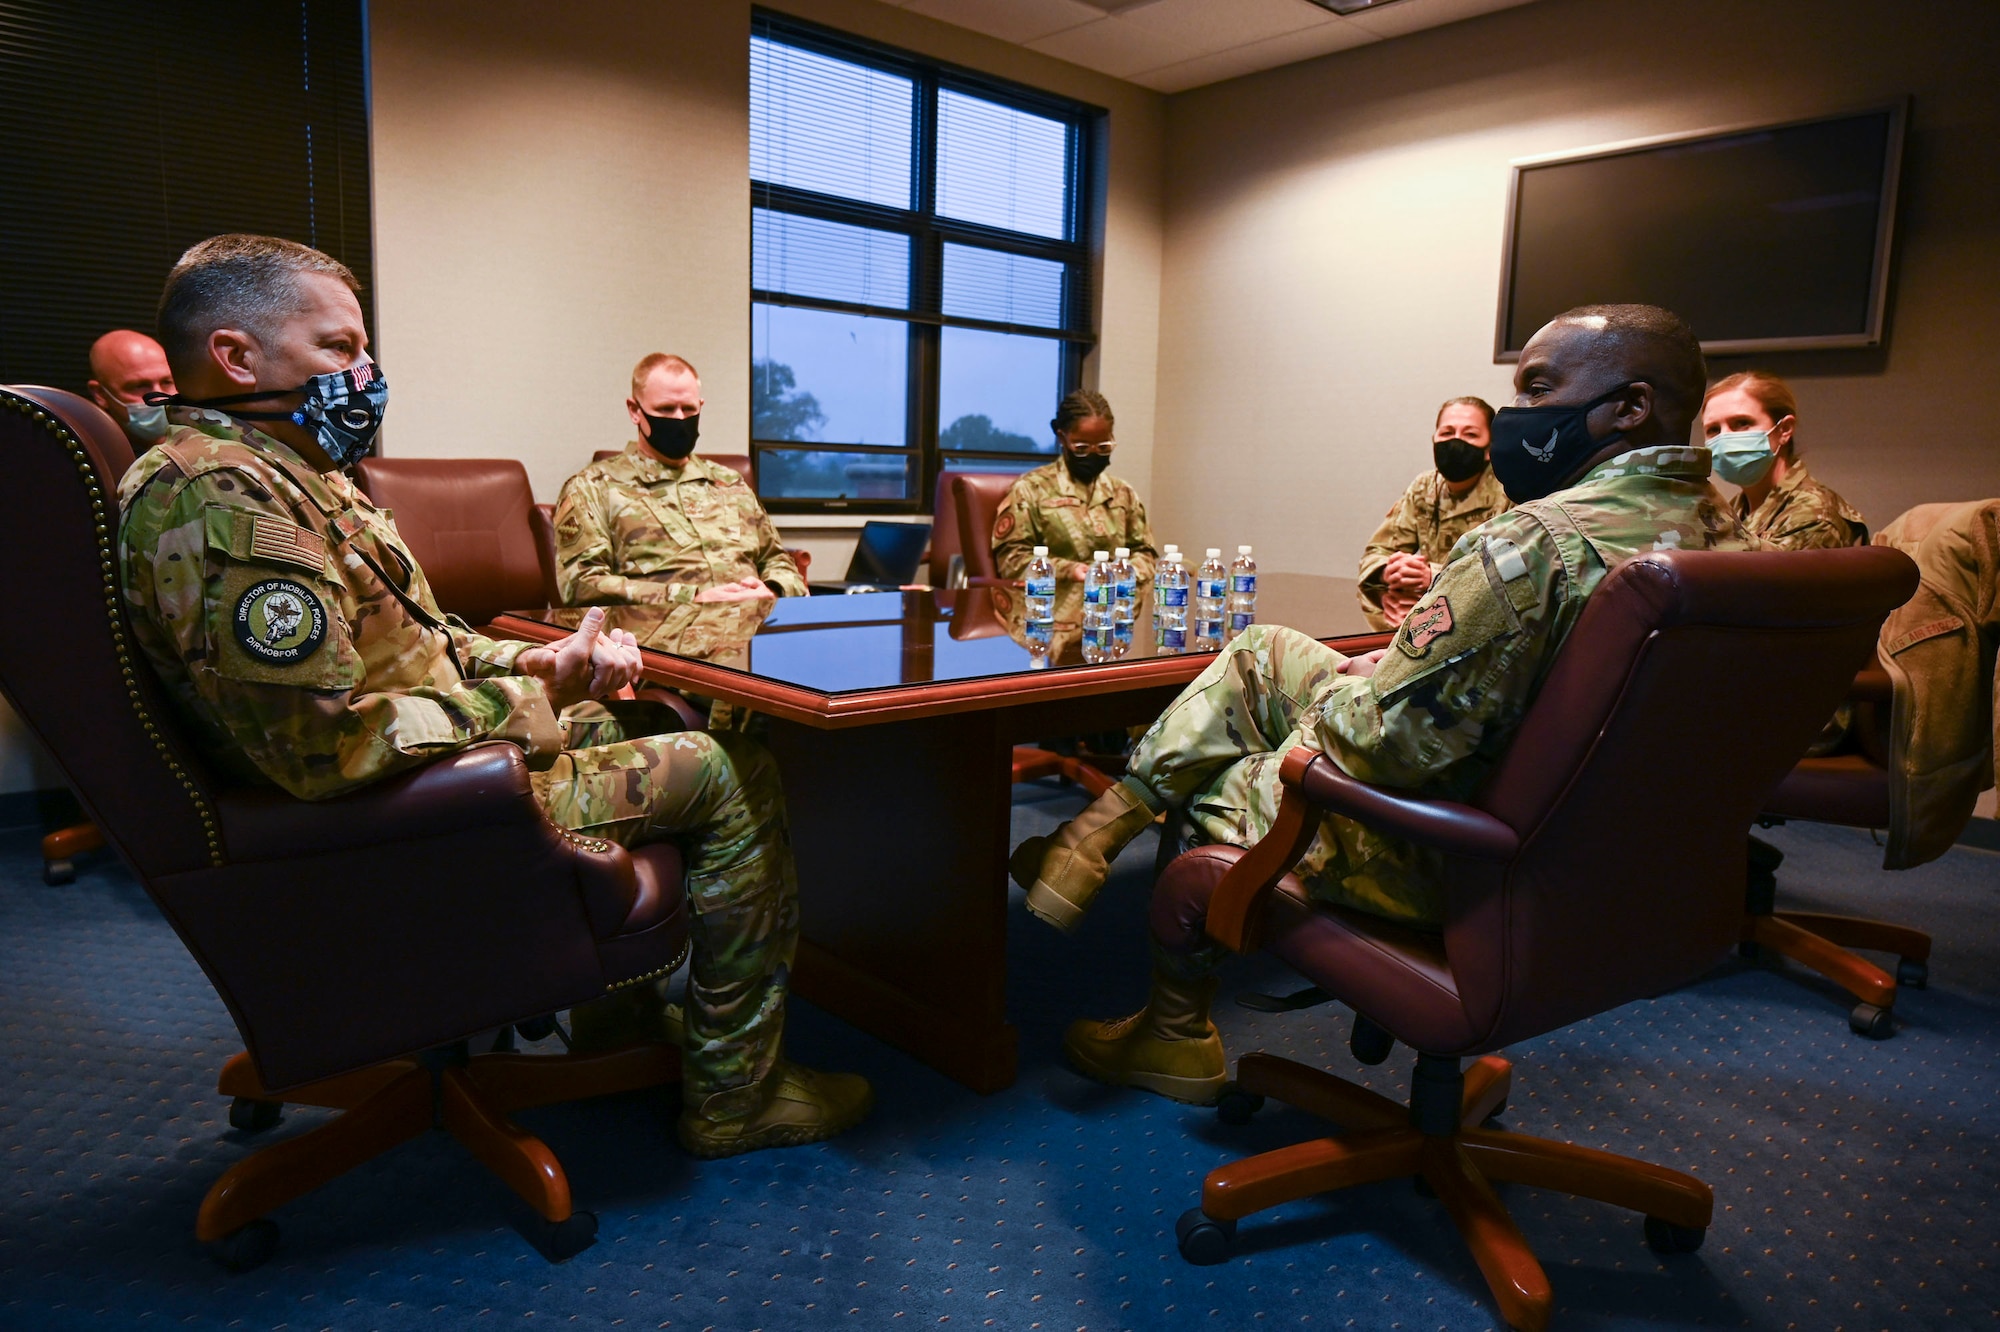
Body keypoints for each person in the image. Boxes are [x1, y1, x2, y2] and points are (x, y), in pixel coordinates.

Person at [116, 234, 869, 1158]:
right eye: (339, 349)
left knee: (641, 714)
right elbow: (320, 748)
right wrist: (513, 711)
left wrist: (539, 670)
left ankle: (616, 1030)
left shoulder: (290, 476)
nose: (365, 373)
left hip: (429, 765)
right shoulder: (224, 497)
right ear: (235, 356)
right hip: (396, 809)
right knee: (722, 763)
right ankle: (738, 1097)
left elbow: (417, 641)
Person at [1009, 303, 1752, 1104]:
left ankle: (1171, 1025)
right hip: (1620, 866)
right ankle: (1086, 843)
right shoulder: (1734, 543)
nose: (1518, 417)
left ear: (1630, 408)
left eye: (1537, 389)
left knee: (1224, 771)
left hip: (1464, 862)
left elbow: (1382, 746)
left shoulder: (1539, 540)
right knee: (1264, 651)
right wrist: (1381, 671)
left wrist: (1354, 692)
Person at [554, 354, 805, 606]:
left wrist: (771, 590)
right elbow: (581, 584)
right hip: (658, 637)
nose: (678, 419)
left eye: (688, 409)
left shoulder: (729, 482)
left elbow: (777, 560)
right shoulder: (593, 487)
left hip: (751, 632)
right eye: (665, 409)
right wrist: (690, 598)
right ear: (635, 411)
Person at [1356, 396, 1512, 630]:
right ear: (1434, 439)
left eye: (1470, 434)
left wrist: (1434, 575)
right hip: (1424, 619)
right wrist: (1390, 570)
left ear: (1489, 448)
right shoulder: (1424, 487)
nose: (1456, 441)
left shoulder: (1510, 491)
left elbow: (1512, 570)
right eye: (1447, 433)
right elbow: (1377, 551)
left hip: (1484, 626)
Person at [991, 390, 1158, 583]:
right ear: (1062, 439)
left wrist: (1121, 571)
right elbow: (1011, 561)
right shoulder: (1030, 489)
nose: (1094, 455)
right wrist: (1068, 570)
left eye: (1103, 447)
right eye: (1082, 448)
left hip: (1112, 605)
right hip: (1051, 604)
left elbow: (1146, 555)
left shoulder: (1123, 493)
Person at [1702, 370, 1866, 549]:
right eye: (1714, 430)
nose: (1725, 438)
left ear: (1784, 430)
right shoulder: (1734, 510)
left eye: (1742, 423)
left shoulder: (1813, 516)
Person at [85, 329, 177, 447]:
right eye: (140, 386)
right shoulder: (92, 455)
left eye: (166, 382)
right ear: (101, 394)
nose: (159, 399)